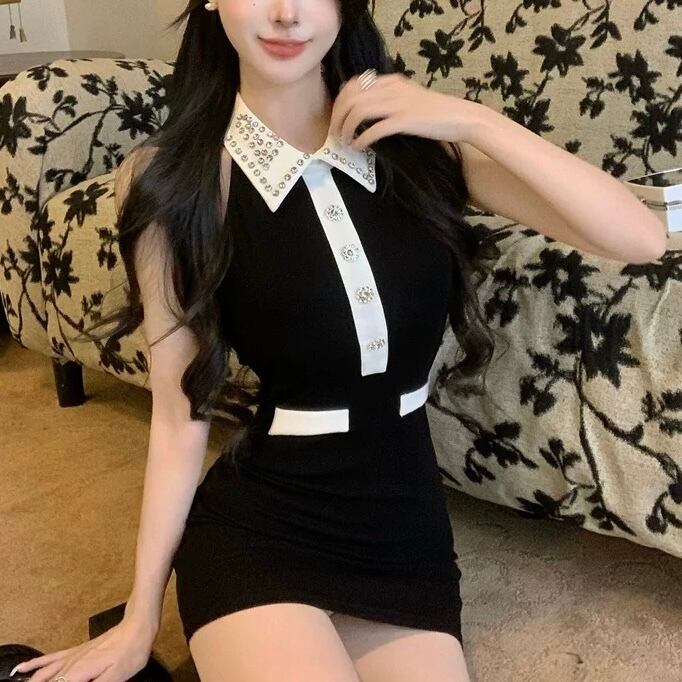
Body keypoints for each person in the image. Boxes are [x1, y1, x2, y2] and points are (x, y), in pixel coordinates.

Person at [12, 1, 666, 681]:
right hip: (262, 527)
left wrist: (473, 119)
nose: (287, 13)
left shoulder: (422, 147)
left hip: (403, 533)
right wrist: (140, 616)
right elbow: (180, 419)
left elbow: (639, 237)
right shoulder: (177, 181)